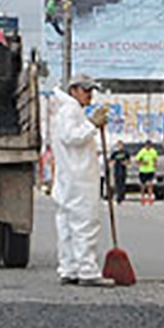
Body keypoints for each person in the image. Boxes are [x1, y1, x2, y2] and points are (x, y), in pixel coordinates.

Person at [52, 73, 107, 286]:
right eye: (85, 90)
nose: (90, 94)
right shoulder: (70, 110)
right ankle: (87, 270)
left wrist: (91, 124)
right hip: (79, 179)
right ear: (73, 90)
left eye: (91, 90)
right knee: (85, 224)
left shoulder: (69, 110)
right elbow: (71, 137)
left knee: (67, 226)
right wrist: (92, 125)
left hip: (69, 177)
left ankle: (70, 268)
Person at [136, 139, 159, 206]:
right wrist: (143, 162)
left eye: (149, 145)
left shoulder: (153, 151)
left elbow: (155, 159)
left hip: (150, 170)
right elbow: (137, 160)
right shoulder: (142, 151)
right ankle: (143, 198)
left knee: (150, 185)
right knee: (143, 186)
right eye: (147, 145)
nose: (148, 146)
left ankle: (150, 198)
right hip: (143, 170)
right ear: (145, 145)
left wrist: (155, 164)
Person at [111, 140, 130, 204]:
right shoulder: (115, 153)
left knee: (122, 183)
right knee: (117, 184)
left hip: (123, 170)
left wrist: (125, 163)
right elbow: (111, 161)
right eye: (118, 145)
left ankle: (122, 196)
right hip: (116, 170)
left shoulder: (125, 153)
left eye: (121, 145)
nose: (120, 147)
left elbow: (128, 161)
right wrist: (113, 162)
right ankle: (118, 196)